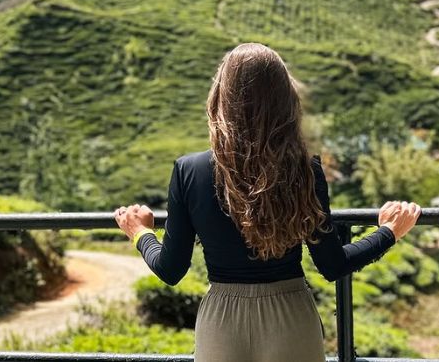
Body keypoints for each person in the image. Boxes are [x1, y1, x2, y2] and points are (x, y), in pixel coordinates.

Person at [115, 43, 421, 362]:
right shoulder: (305, 170)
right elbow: (332, 264)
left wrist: (140, 233)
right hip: (291, 318)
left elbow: (171, 268)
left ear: (220, 97)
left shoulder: (189, 171)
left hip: (221, 322)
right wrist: (388, 231)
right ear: (285, 99)